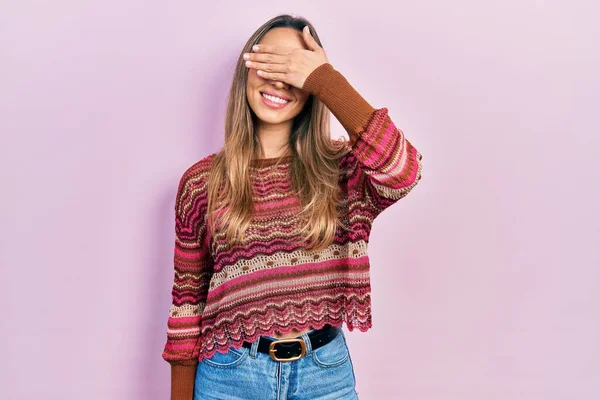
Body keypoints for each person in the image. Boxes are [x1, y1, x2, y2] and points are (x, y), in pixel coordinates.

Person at [161, 13, 423, 400]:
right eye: (269, 63)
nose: (279, 80)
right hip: (229, 377)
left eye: (295, 69)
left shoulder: (343, 170)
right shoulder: (202, 182)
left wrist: (326, 79)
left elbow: (403, 170)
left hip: (324, 376)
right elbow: (186, 301)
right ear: (245, 72)